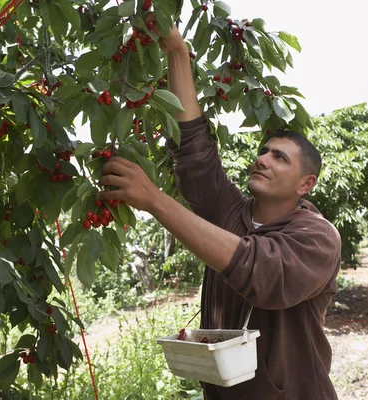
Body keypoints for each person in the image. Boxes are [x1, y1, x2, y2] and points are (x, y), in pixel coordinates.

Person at [99, 21, 342, 400]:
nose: (263, 159)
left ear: (305, 184)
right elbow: (196, 153)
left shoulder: (318, 236)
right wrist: (177, 52)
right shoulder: (233, 213)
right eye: (264, 151)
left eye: (279, 158)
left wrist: (155, 200)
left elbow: (259, 270)